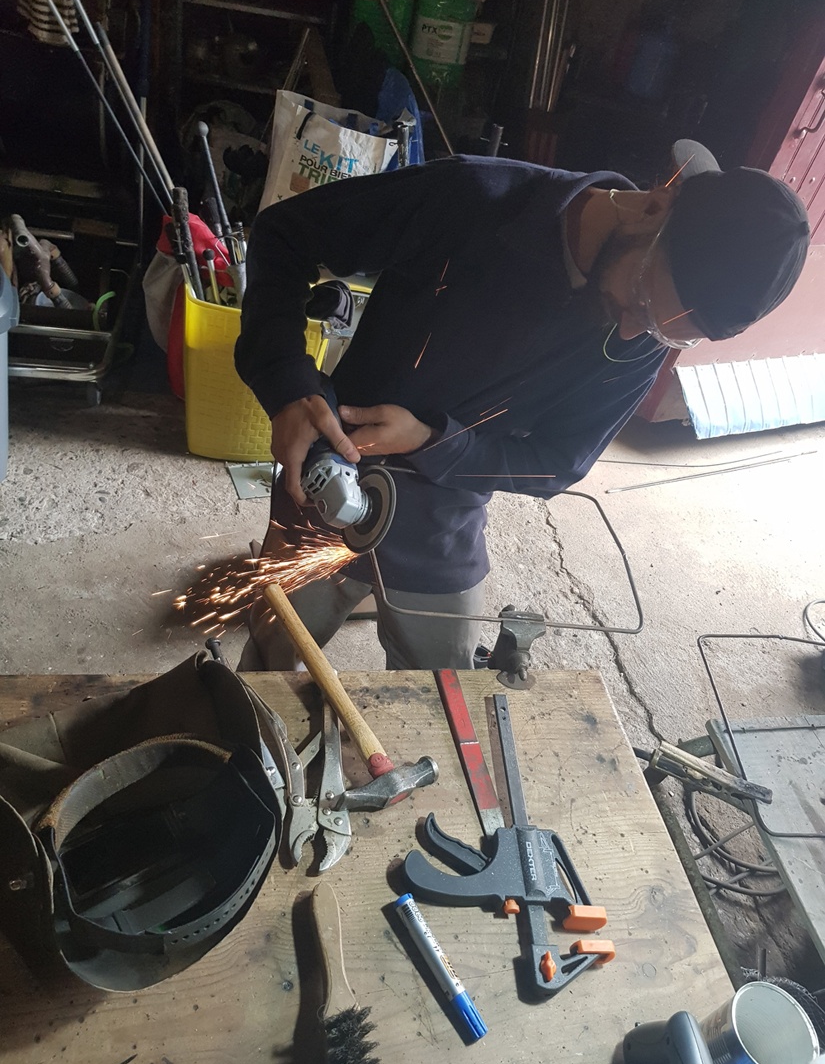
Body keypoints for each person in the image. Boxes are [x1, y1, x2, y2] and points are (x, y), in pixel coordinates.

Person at [234, 139, 810, 671]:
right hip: (326, 473)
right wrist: (287, 382)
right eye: (639, 300)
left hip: (442, 523)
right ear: (653, 208)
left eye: (663, 332)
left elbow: (558, 462)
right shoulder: (471, 200)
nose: (634, 333)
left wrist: (435, 442)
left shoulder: (642, 336)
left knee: (449, 704)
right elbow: (285, 235)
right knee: (263, 675)